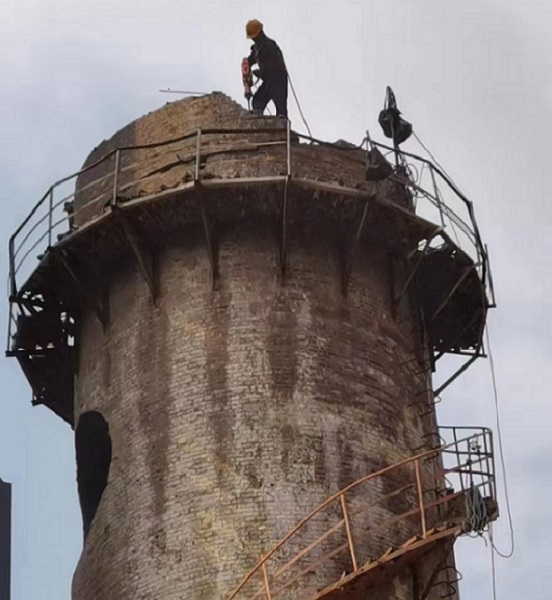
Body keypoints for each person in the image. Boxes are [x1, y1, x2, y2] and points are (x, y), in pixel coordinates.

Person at [245, 20, 288, 119]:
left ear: (259, 34)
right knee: (257, 101)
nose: (253, 39)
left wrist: (261, 72)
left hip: (278, 81)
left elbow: (276, 66)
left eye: (254, 37)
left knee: (281, 109)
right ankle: (258, 123)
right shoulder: (257, 48)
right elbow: (252, 59)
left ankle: (282, 125)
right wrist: (247, 63)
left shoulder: (270, 46)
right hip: (268, 81)